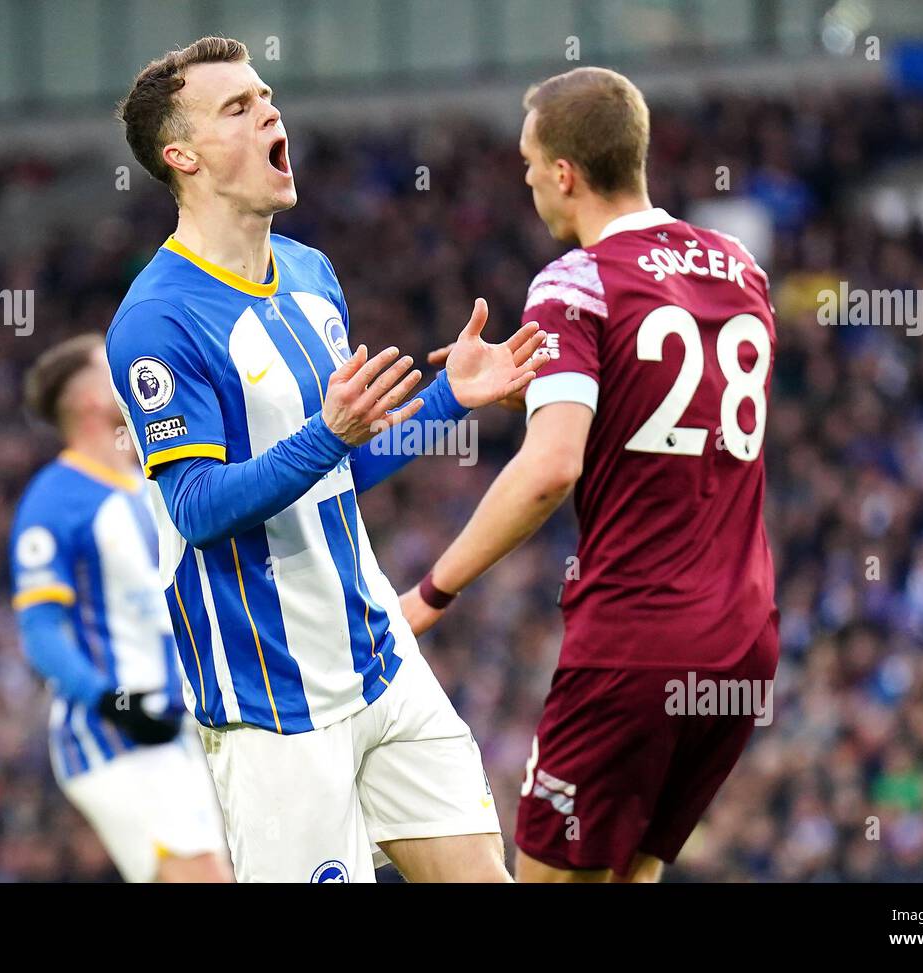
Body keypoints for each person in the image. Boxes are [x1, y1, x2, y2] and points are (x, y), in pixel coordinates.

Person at [106, 36, 548, 882]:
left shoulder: (310, 274)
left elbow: (341, 466)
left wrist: (449, 399)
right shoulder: (157, 322)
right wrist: (329, 434)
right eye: (237, 107)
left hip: (381, 660)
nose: (270, 111)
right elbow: (196, 510)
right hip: (273, 706)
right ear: (182, 155)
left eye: (265, 96)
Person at [401, 66, 780, 883]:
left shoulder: (576, 279)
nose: (528, 176)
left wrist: (431, 592)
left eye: (531, 161)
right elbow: (675, 416)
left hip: (636, 636)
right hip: (744, 637)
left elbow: (551, 468)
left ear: (565, 173)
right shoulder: (740, 268)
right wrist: (537, 390)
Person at [10, 334, 231, 882]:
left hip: (179, 727)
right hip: (114, 735)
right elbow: (40, 632)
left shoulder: (147, 483)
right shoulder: (54, 499)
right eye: (107, 364)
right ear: (88, 400)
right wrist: (113, 703)